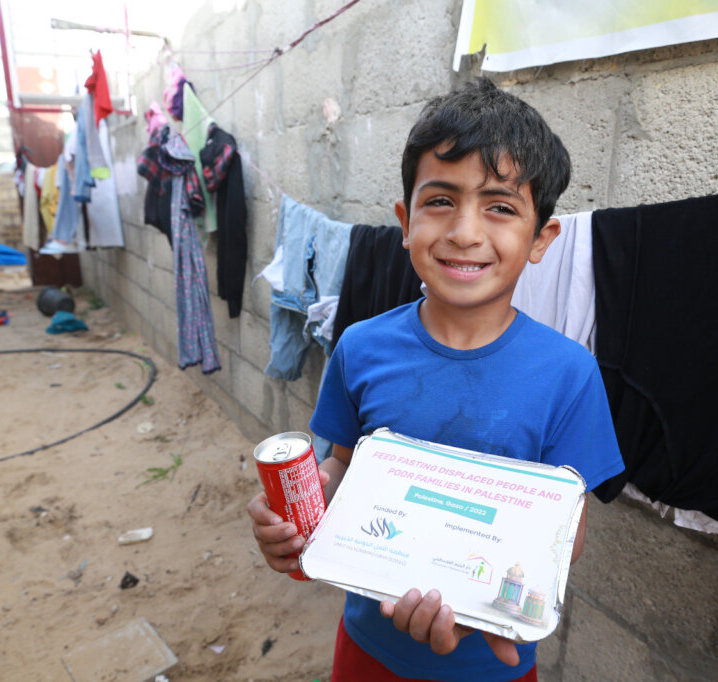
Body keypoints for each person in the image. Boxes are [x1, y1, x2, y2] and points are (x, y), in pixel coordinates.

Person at [247, 78, 625, 682]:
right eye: (440, 200)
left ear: (541, 239)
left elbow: (564, 536)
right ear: (405, 219)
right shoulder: (361, 347)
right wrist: (296, 521)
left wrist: (481, 602)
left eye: (501, 207)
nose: (465, 232)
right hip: (368, 646)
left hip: (492, 661)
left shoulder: (570, 375)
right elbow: (343, 468)